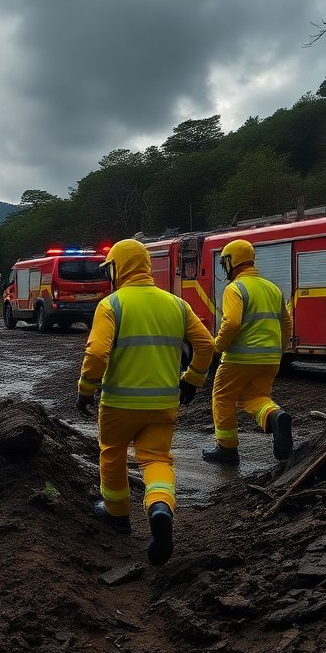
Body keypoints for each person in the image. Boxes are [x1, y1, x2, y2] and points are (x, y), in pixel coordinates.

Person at [77, 239, 213, 566]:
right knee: (156, 460)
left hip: (119, 406)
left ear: (119, 268)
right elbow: (206, 345)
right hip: (163, 405)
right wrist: (192, 380)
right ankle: (161, 507)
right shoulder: (176, 305)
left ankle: (117, 514)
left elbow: (97, 353)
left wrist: (85, 388)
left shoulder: (112, 305)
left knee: (112, 454)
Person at [202, 239, 295, 464]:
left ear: (232, 261)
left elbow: (232, 323)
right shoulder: (272, 288)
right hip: (270, 358)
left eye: (225, 262)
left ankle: (227, 449)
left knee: (222, 397)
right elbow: (287, 322)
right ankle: (275, 416)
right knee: (256, 397)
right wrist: (279, 350)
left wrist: (217, 346)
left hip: (239, 359)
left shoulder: (235, 288)